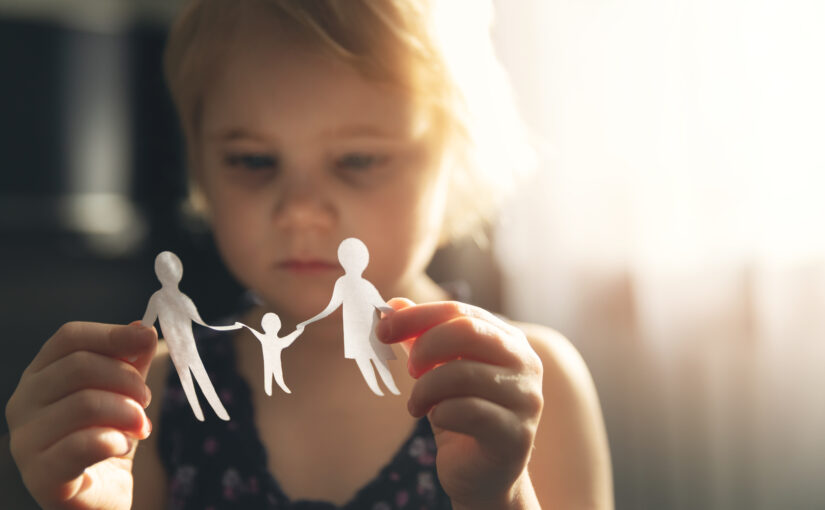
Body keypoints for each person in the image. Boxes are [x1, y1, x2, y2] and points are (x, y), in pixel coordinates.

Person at [4, 1, 614, 509]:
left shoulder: (527, 386)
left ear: (456, 160)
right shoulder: (154, 397)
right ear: (201, 165)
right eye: (253, 161)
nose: (298, 210)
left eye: (357, 160)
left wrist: (501, 497)